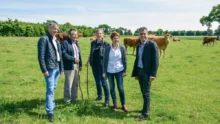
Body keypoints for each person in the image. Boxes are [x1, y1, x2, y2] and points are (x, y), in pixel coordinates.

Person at [37, 21, 64, 122]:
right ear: (49, 28)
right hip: (49, 68)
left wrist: (61, 68)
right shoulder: (44, 39)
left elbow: (59, 54)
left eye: (57, 29)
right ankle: (50, 111)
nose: (55, 30)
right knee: (50, 89)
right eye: (53, 28)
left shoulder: (56, 39)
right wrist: (44, 69)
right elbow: (41, 56)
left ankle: (51, 106)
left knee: (54, 87)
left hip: (56, 67)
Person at [131, 27, 159, 121]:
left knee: (146, 92)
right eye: (141, 34)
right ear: (139, 35)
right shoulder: (138, 45)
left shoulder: (152, 44)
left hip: (147, 72)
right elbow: (137, 59)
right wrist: (135, 73)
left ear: (147, 34)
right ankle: (146, 108)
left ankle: (145, 114)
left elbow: (155, 60)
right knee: (143, 91)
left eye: (144, 34)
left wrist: (153, 74)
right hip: (140, 71)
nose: (142, 35)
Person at [102, 32, 128, 112]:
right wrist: (104, 72)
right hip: (110, 71)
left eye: (117, 38)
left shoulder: (122, 48)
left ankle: (123, 104)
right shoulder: (107, 48)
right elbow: (104, 61)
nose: (116, 40)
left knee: (120, 88)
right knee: (112, 88)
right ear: (112, 39)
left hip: (119, 70)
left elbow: (124, 60)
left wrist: (124, 71)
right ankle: (115, 103)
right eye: (115, 38)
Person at [85, 28, 110, 107]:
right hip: (94, 66)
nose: (99, 35)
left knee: (104, 83)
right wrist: (87, 61)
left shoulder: (106, 44)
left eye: (100, 33)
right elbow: (90, 53)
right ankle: (99, 96)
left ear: (103, 34)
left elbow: (108, 57)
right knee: (97, 82)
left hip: (102, 66)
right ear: (95, 34)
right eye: (97, 33)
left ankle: (107, 100)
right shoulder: (93, 43)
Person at [61, 28, 82, 104]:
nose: (75, 36)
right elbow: (63, 54)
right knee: (69, 83)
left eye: (76, 34)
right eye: (73, 34)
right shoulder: (65, 43)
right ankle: (67, 100)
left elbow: (78, 54)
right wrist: (73, 59)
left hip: (76, 65)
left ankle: (74, 98)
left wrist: (80, 65)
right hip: (69, 66)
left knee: (75, 83)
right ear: (69, 35)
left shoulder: (76, 43)